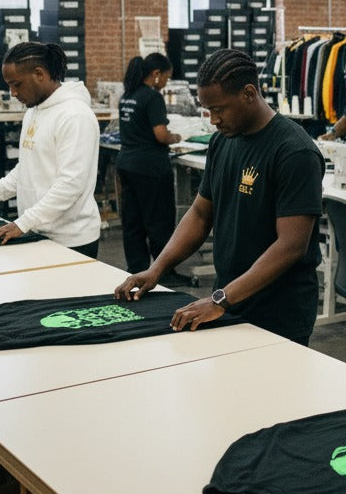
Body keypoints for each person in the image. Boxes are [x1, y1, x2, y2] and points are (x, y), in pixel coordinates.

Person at [114, 48, 325, 345]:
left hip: (278, 312)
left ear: (249, 94)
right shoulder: (222, 142)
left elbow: (291, 246)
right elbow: (201, 214)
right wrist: (156, 269)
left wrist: (220, 299)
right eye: (208, 110)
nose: (213, 120)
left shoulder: (294, 151)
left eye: (219, 109)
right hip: (229, 299)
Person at [0, 42, 101, 257]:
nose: (13, 93)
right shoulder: (34, 111)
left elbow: (71, 185)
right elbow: (26, 169)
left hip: (71, 239)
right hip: (37, 232)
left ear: (39, 74)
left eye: (17, 84)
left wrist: (22, 223)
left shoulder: (75, 116)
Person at [116, 53, 182, 277]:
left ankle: (137, 269)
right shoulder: (152, 97)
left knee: (132, 221)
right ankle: (164, 273)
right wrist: (175, 137)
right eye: (166, 77)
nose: (166, 82)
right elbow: (161, 135)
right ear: (156, 73)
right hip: (150, 167)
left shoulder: (127, 96)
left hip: (127, 164)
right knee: (159, 221)